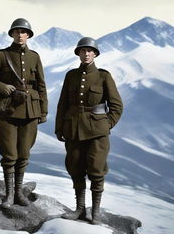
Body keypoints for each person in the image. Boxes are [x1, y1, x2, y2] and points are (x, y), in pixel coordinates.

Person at [0, 18, 48, 208]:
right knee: (9, 154)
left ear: (28, 35)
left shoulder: (35, 57)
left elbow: (41, 86)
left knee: (24, 154)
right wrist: (2, 87)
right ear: (12, 34)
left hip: (30, 112)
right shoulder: (1, 55)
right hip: (7, 111)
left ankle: (19, 193)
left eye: (23, 32)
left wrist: (43, 111)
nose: (20, 35)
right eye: (16, 32)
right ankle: (9, 195)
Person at [55, 37, 123, 224]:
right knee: (75, 167)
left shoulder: (103, 76)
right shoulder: (71, 76)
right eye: (82, 51)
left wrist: (106, 124)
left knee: (96, 169)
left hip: (97, 133)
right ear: (78, 54)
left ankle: (96, 212)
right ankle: (79, 209)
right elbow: (63, 104)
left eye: (89, 51)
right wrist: (59, 127)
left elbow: (116, 106)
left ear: (95, 54)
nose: (86, 54)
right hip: (73, 130)